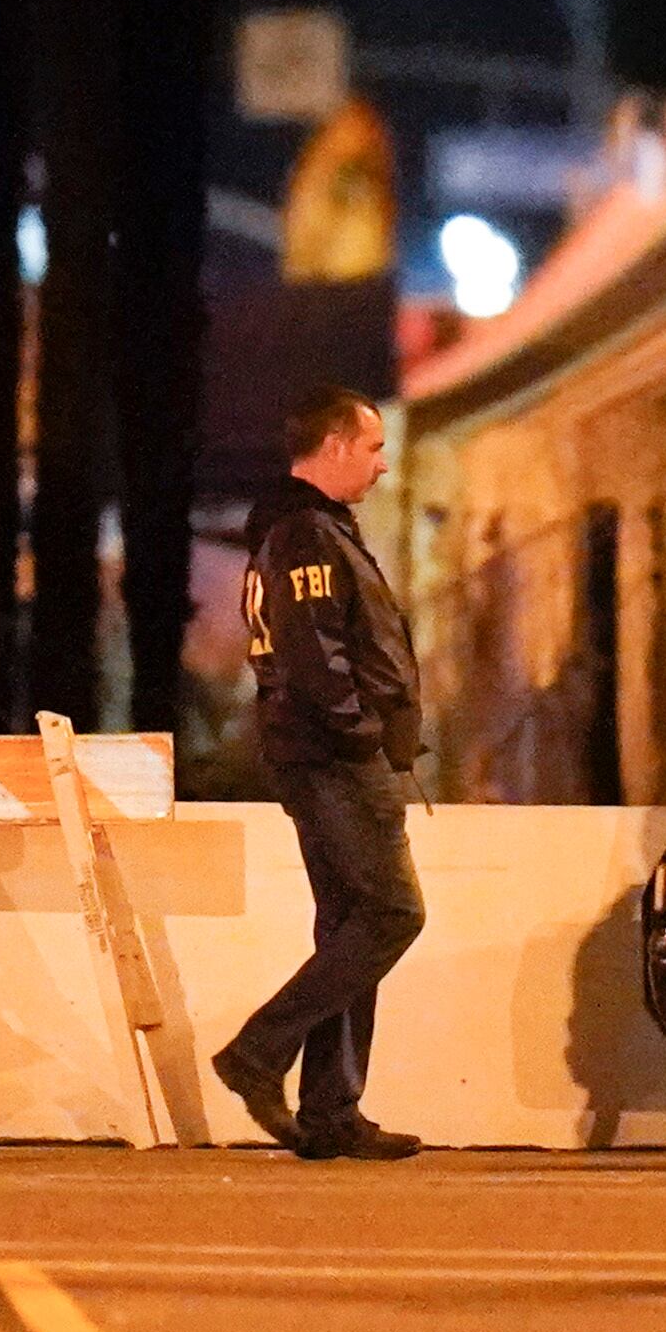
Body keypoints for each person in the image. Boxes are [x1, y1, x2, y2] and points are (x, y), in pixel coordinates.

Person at [210, 387, 427, 1162]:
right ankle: (258, 1052)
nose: (381, 462)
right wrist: (362, 730)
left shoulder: (301, 527)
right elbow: (315, 653)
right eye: (371, 447)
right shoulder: (306, 532)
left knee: (348, 926)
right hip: (334, 757)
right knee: (393, 914)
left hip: (319, 754)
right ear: (334, 445)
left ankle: (333, 1108)